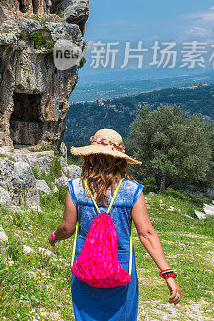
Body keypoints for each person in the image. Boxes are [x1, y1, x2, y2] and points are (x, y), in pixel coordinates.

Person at [48, 128, 181, 321]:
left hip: (86, 266)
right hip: (119, 268)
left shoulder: (76, 188)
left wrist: (54, 236)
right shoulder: (132, 190)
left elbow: (66, 229)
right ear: (120, 160)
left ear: (90, 157)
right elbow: (147, 234)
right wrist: (167, 274)